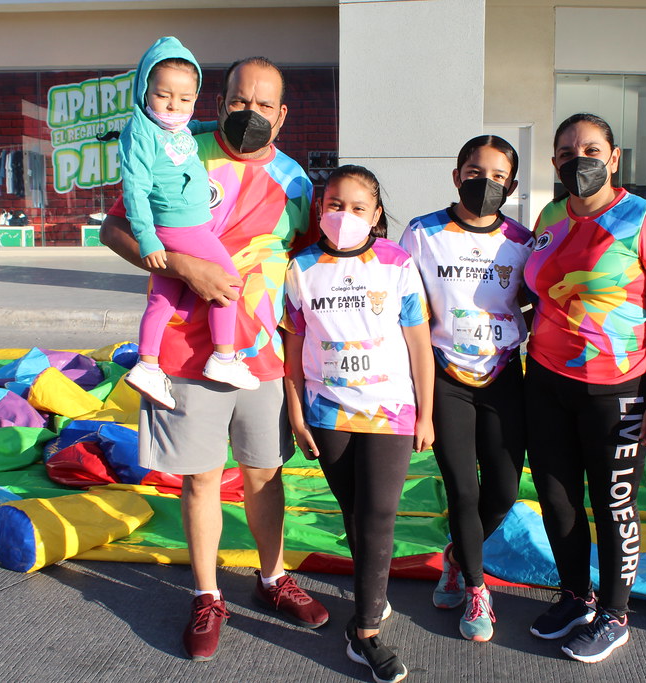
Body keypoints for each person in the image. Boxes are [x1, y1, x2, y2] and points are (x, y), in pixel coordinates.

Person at [99, 56, 329, 663]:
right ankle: (207, 595)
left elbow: (311, 264)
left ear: (281, 115)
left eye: (263, 105)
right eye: (239, 101)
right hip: (180, 352)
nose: (249, 113)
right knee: (201, 478)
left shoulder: (296, 183)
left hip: (260, 356)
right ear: (219, 102)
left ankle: (273, 577)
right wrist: (182, 266)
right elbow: (114, 230)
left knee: (264, 473)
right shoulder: (176, 148)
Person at [523, 113, 646, 663]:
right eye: (567, 153)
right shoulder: (551, 214)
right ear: (554, 163)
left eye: (592, 150)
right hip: (546, 381)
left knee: (613, 503)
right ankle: (576, 597)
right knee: (557, 499)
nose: (580, 160)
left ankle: (615, 615)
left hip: (618, 388)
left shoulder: (645, 219)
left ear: (614, 158)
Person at [283, 165, 435, 683]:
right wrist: (297, 411)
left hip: (391, 410)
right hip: (328, 412)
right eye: (334, 205)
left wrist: (426, 413)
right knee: (354, 513)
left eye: (357, 207)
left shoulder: (396, 264)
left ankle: (365, 631)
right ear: (319, 209)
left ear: (375, 215)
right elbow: (293, 347)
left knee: (378, 515)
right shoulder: (301, 267)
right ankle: (374, 595)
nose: (343, 215)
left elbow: (419, 344)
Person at [399, 135, 532, 642]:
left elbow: (537, 298)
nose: (485, 183)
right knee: (463, 488)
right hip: (444, 376)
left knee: (504, 490)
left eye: (498, 177)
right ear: (457, 176)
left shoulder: (522, 240)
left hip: (502, 375)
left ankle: (456, 555)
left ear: (512, 187)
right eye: (475, 173)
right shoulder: (423, 233)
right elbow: (404, 303)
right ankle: (476, 588)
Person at [119, 37, 258, 410]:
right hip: (182, 228)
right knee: (228, 284)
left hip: (180, 227)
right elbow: (134, 189)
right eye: (163, 95)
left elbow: (190, 127)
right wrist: (147, 238)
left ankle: (147, 366)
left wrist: (218, 125)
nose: (173, 106)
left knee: (164, 298)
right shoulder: (141, 132)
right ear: (144, 91)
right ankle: (223, 357)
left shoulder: (174, 128)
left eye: (184, 99)